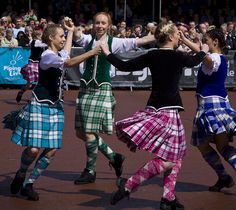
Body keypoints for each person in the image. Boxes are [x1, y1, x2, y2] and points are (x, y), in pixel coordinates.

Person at [100, 22, 209, 210]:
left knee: (175, 156)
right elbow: (196, 60)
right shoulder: (177, 56)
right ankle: (128, 185)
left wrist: (107, 52)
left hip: (156, 109)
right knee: (170, 159)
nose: (179, 36)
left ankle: (168, 197)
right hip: (169, 112)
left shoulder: (152, 55)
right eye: (177, 34)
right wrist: (204, 49)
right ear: (170, 37)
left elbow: (124, 66)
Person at [4, 17, 101, 201]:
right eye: (61, 36)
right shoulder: (47, 56)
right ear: (50, 39)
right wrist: (92, 52)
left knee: (52, 150)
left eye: (64, 36)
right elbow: (69, 62)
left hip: (56, 106)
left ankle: (29, 184)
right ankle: (21, 173)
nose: (63, 39)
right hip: (40, 104)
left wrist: (71, 31)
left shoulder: (57, 54)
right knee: (33, 150)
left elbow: (66, 53)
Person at [72, 11, 156, 185]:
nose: (100, 26)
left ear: (109, 25)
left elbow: (139, 41)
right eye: (97, 23)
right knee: (81, 132)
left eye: (104, 23)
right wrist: (72, 28)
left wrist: (158, 31)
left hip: (102, 89)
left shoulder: (114, 42)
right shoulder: (88, 40)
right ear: (93, 24)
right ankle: (114, 156)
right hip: (86, 89)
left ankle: (90, 170)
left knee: (88, 133)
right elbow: (78, 35)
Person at [191, 28, 236, 192]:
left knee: (216, 146)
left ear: (215, 42)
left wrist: (187, 42)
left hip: (212, 106)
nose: (204, 44)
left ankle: (224, 177)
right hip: (211, 105)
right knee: (208, 145)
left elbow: (208, 60)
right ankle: (224, 177)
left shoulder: (215, 58)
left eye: (206, 41)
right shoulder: (221, 58)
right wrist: (197, 40)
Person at [15, 30, 46, 103]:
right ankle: (21, 92)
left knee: (39, 82)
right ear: (38, 35)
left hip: (38, 63)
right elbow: (44, 44)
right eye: (41, 35)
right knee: (29, 84)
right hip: (32, 63)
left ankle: (34, 97)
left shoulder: (35, 41)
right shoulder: (35, 42)